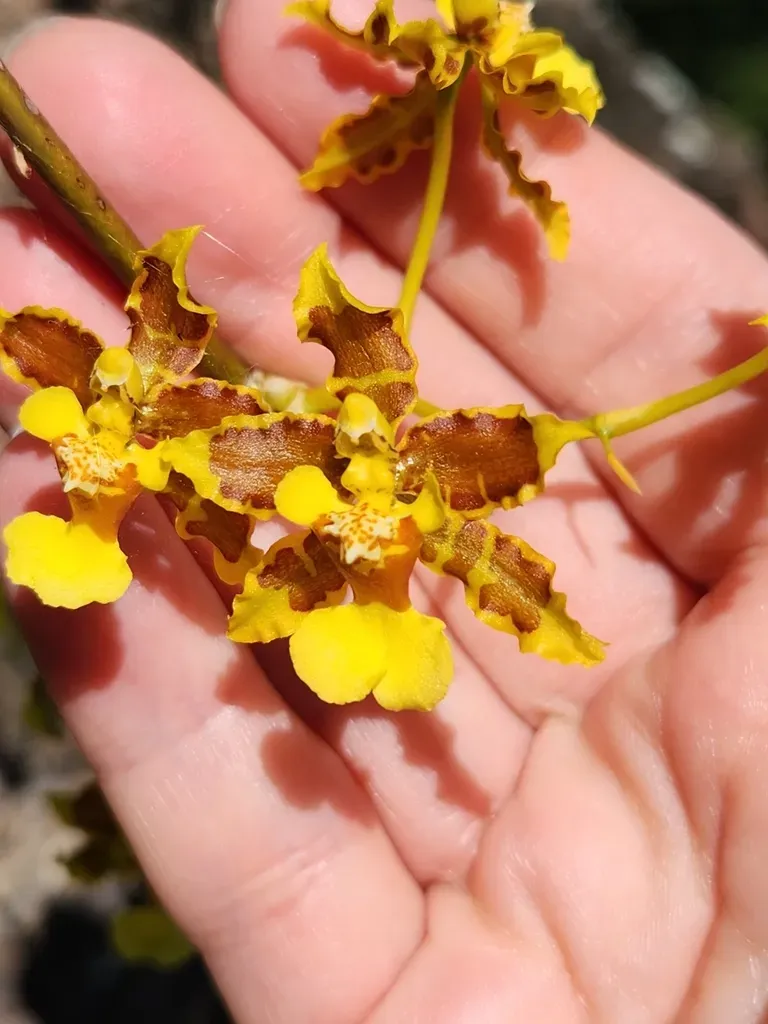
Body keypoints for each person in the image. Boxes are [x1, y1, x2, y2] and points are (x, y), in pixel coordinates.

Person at [2, 2, 768, 1020]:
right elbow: (217, 456)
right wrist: (159, 450)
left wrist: (552, 589)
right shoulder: (271, 444)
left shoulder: (423, 490)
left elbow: (513, 545)